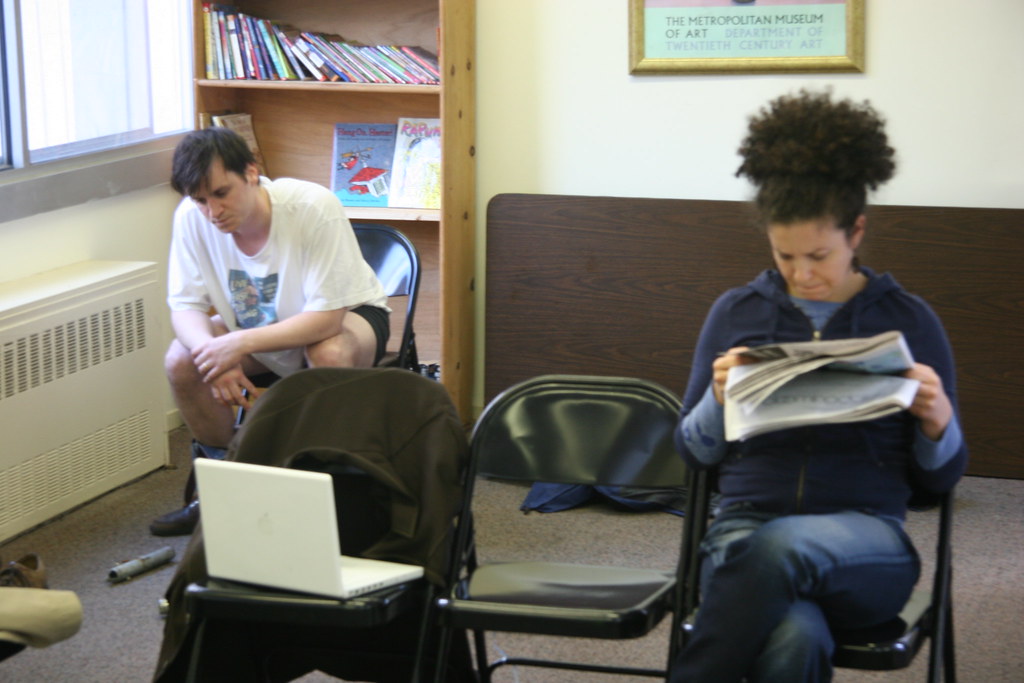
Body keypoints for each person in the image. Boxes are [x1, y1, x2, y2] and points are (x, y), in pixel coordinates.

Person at [668, 90, 967, 682]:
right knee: (795, 637)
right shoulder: (736, 313)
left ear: (856, 233)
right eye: (784, 255)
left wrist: (938, 422)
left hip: (867, 544)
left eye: (819, 255)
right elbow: (694, 454)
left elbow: (938, 482)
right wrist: (717, 399)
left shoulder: (908, 320)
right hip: (744, 530)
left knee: (781, 548)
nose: (802, 274)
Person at [149, 127, 390, 536]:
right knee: (182, 359)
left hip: (342, 315)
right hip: (252, 323)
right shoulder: (192, 218)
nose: (212, 212)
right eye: (201, 200)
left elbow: (327, 319)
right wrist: (213, 356)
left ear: (251, 173)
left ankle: (326, 492)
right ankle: (219, 490)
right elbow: (185, 306)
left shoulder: (312, 206)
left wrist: (234, 345)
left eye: (221, 193)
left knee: (327, 353)